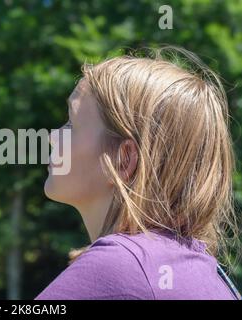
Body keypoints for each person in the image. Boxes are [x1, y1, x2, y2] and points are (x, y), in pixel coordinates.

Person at [36, 47, 241, 300]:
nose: (52, 137)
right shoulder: (203, 272)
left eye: (71, 124)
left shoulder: (119, 267)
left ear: (124, 160)